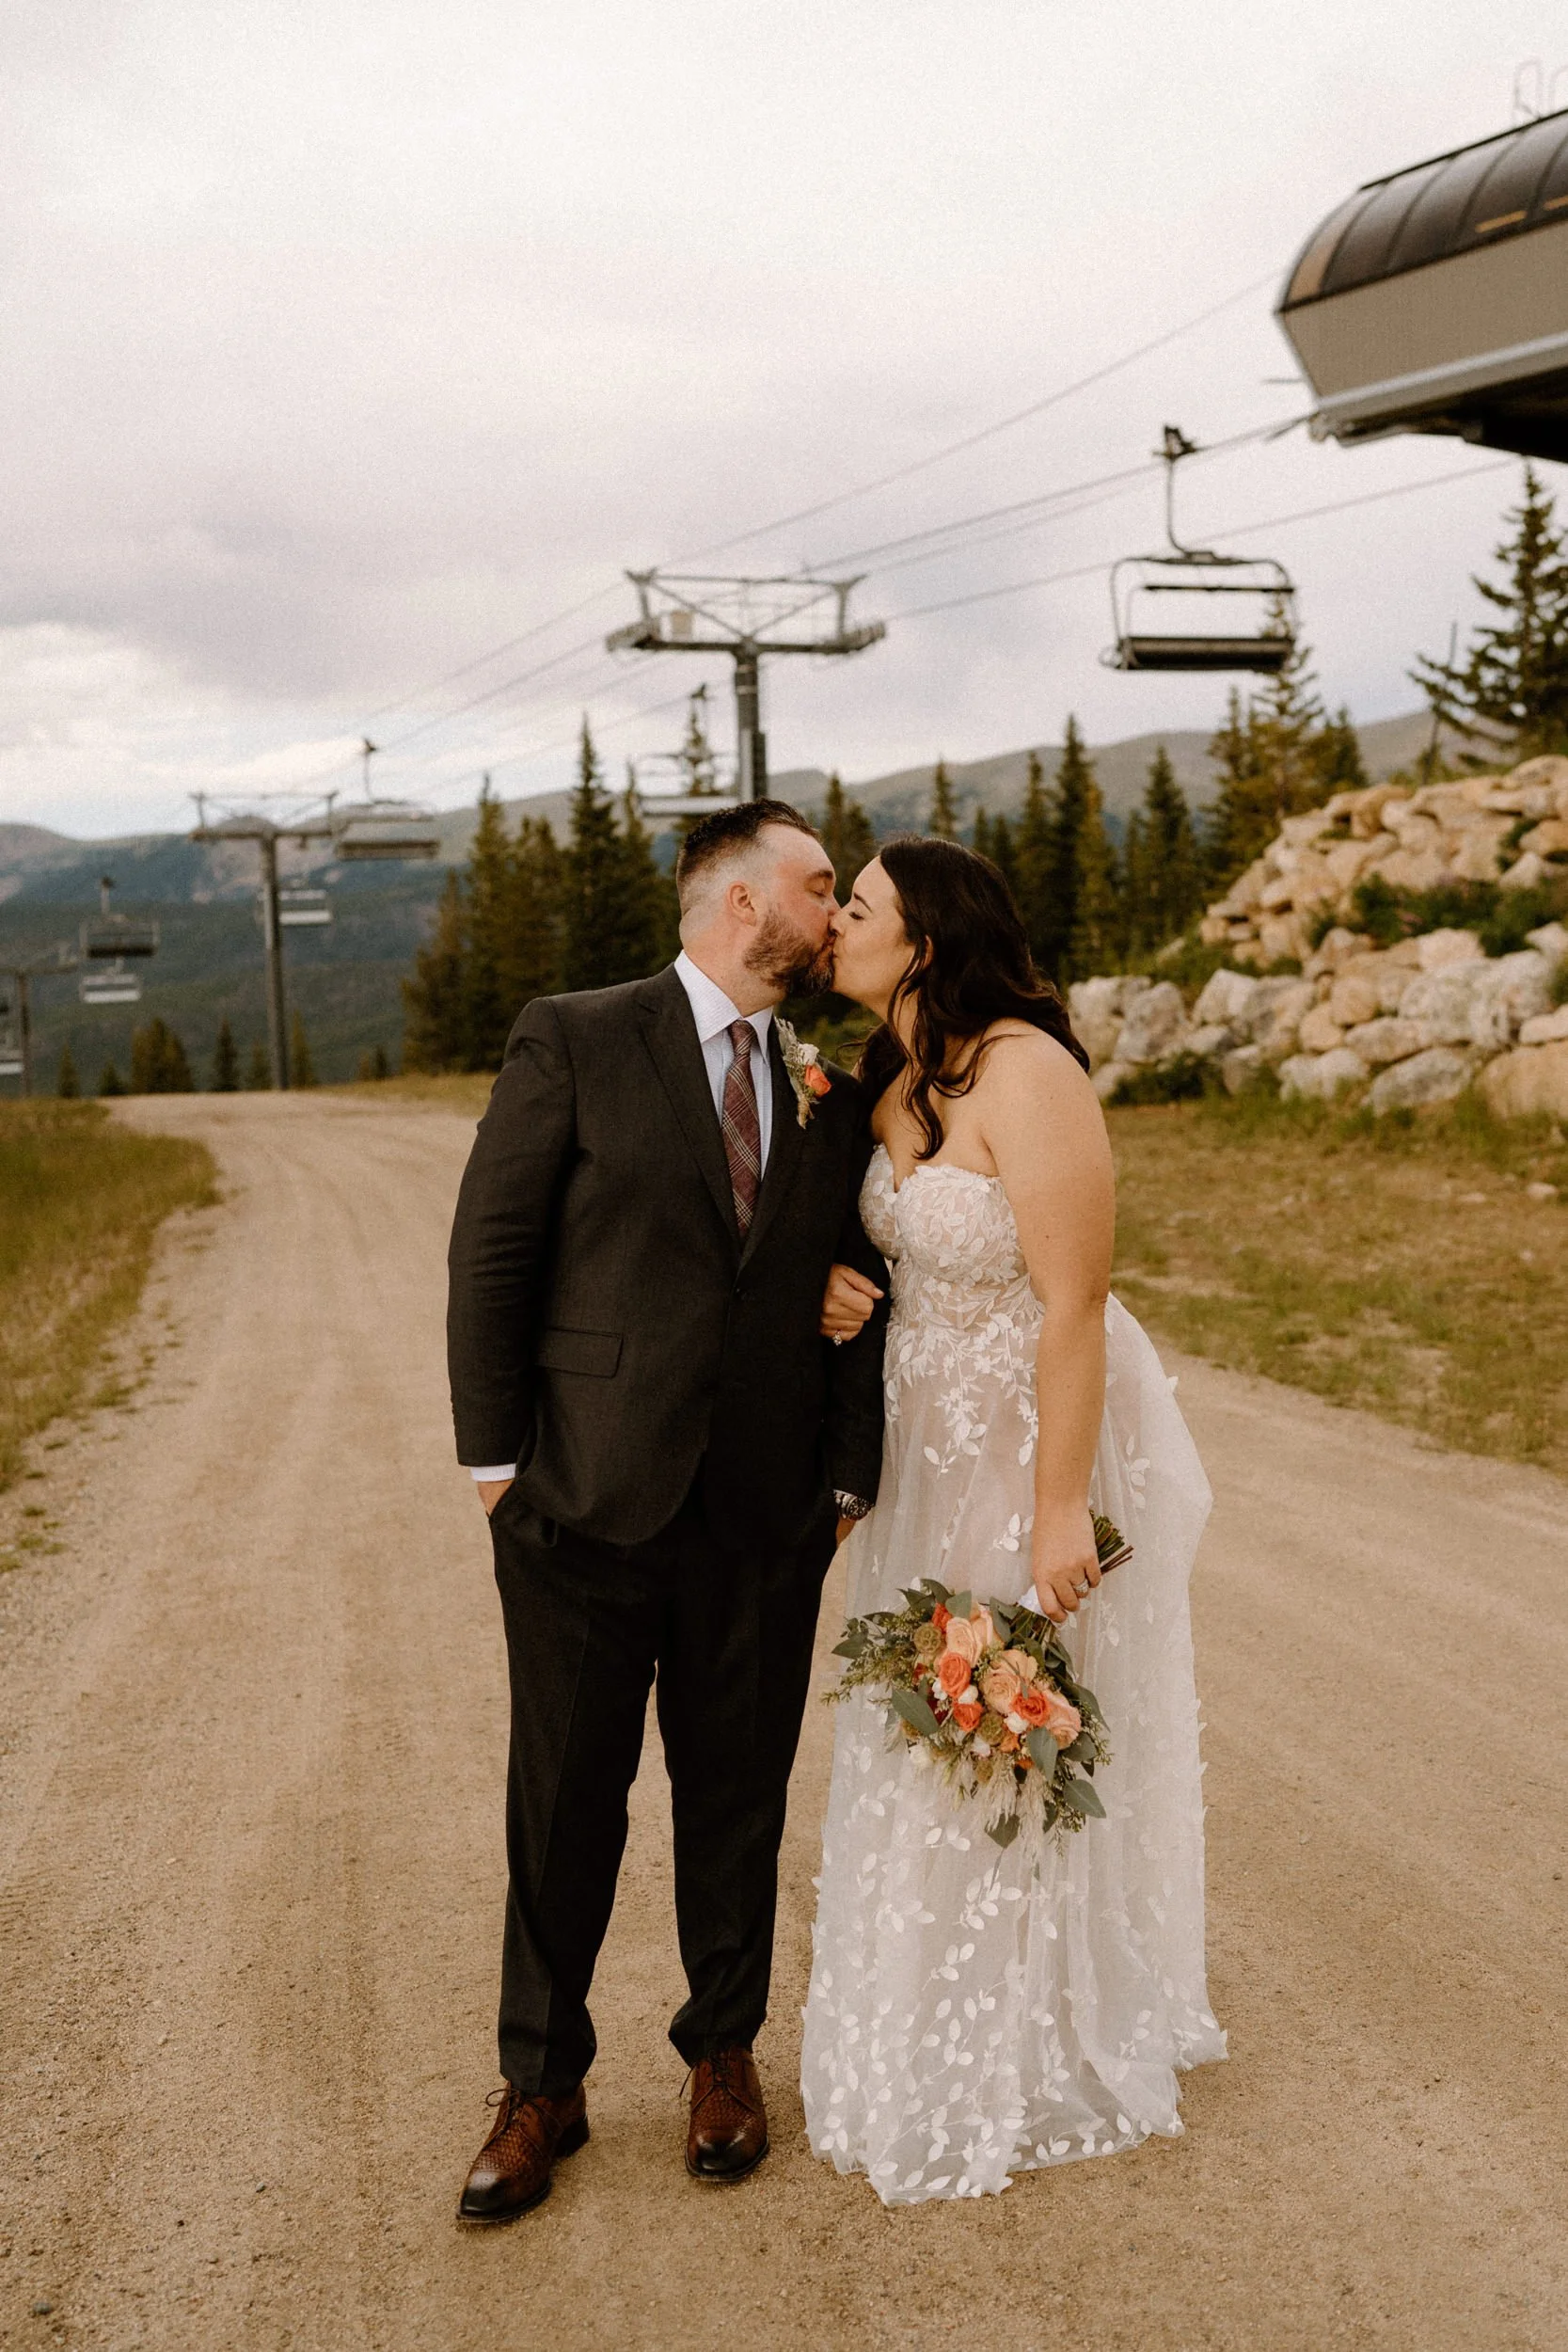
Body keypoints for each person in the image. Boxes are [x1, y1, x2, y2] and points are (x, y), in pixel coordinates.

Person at [445, 798, 888, 2223]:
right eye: (819, 886)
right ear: (741, 902)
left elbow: (864, 1281)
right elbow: (493, 1251)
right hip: (583, 1500)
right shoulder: (574, 1036)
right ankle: (540, 2083)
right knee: (563, 1803)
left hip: (761, 1512)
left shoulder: (828, 1084)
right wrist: (496, 1467)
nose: (836, 911)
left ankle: (723, 2054)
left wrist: (844, 1477)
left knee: (738, 1797)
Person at [802, 835, 1225, 2204]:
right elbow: (876, 1249)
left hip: (1022, 1436)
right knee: (922, 1715)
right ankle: (922, 2020)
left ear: (922, 940)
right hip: (921, 1446)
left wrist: (1056, 1513)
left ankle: (1032, 2035)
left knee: (1005, 1714)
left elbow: (1074, 1302)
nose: (833, 922)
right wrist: (833, 1286)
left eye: (857, 905)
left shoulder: (1030, 1072)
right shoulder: (891, 1073)